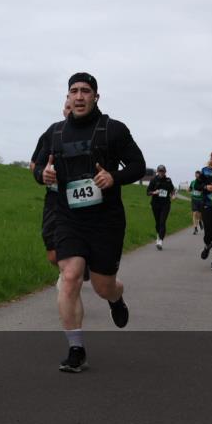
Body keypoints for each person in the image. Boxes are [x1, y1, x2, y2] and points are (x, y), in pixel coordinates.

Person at [32, 73, 146, 373]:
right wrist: (43, 175)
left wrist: (114, 177)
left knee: (102, 286)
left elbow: (138, 165)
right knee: (70, 276)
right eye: (74, 91)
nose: (79, 96)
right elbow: (38, 167)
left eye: (85, 91)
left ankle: (116, 298)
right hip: (68, 217)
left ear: (96, 96)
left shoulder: (114, 129)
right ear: (68, 97)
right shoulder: (55, 132)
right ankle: (76, 349)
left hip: (106, 221)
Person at [30, 101, 90, 281]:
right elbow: (34, 164)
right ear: (63, 111)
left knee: (79, 247)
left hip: (82, 198)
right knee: (52, 255)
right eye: (68, 108)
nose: (71, 111)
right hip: (55, 199)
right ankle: (73, 270)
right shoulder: (52, 133)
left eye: (74, 107)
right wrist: (45, 174)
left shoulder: (91, 134)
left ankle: (72, 273)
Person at [146, 164, 175, 250]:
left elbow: (172, 190)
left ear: (165, 172)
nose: (161, 173)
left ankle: (160, 241)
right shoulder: (153, 180)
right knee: (157, 223)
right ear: (157, 172)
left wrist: (173, 195)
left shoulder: (168, 180)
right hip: (155, 204)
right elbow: (148, 192)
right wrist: (154, 192)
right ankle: (158, 236)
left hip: (165, 204)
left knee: (162, 222)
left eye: (162, 171)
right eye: (160, 171)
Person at [190, 170, 204, 234]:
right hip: (194, 199)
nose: (197, 175)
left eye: (198, 174)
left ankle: (200, 221)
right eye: (196, 174)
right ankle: (195, 228)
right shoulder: (193, 182)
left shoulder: (202, 182)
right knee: (194, 213)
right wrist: (189, 190)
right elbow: (190, 188)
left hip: (201, 200)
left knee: (200, 214)